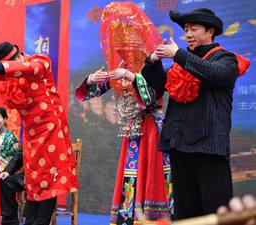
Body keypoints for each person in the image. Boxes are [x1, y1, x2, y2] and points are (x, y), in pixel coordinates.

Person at [140, 8, 249, 220]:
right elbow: (159, 84)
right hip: (180, 146)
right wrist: (152, 61)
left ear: (210, 31)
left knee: (218, 214)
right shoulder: (183, 61)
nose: (188, 34)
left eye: (193, 29)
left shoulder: (226, 59)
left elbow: (212, 73)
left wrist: (178, 55)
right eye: (186, 30)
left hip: (209, 148)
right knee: (185, 214)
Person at [75, 2, 172, 224]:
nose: (122, 52)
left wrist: (130, 76)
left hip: (153, 129)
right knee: (131, 175)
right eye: (119, 48)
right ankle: (130, 218)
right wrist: (91, 80)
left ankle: (155, 218)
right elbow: (83, 96)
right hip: (133, 131)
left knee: (153, 176)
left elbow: (151, 97)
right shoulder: (119, 69)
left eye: (126, 48)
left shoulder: (152, 66)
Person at [0, 42, 79, 225]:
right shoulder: (12, 76)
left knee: (48, 179)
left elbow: (25, 68)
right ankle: (29, 221)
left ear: (19, 56)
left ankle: (40, 222)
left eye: (12, 62)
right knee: (33, 179)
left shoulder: (39, 62)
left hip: (51, 130)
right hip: (31, 134)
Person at [0, 107, 24, 225]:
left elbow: (15, 159)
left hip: (4, 171)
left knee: (1, 180)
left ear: (5, 119)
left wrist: (2, 169)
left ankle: (7, 219)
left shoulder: (11, 137)